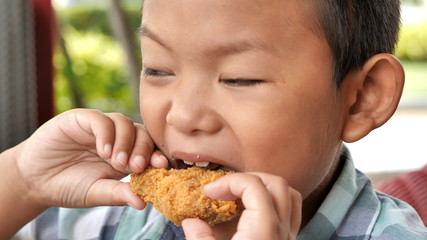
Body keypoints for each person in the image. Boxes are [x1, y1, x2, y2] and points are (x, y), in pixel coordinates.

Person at [2, 0, 427, 239]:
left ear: (361, 99)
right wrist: (22, 180)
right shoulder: (120, 216)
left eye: (240, 78)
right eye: (158, 70)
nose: (183, 115)